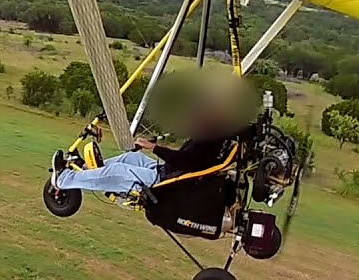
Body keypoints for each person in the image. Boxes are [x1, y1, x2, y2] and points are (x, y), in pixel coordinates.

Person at [51, 70, 259, 197]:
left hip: (167, 182)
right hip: (169, 171)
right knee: (131, 157)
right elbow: (245, 130)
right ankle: (84, 170)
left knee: (121, 172)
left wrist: (154, 147)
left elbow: (186, 161)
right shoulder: (220, 134)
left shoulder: (212, 139)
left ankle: (64, 180)